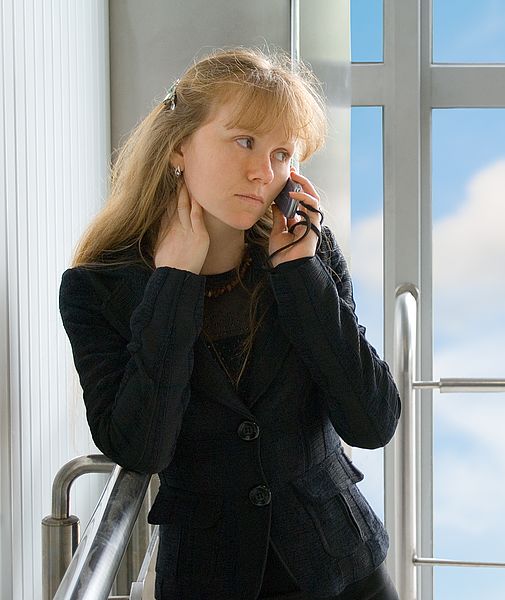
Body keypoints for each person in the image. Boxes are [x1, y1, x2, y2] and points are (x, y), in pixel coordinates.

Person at [57, 47, 402, 600]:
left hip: (343, 569)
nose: (264, 172)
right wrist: (174, 280)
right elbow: (141, 447)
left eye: (282, 154)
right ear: (177, 146)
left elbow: (372, 422)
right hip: (209, 577)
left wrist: (299, 275)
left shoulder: (308, 256)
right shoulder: (97, 288)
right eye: (244, 141)